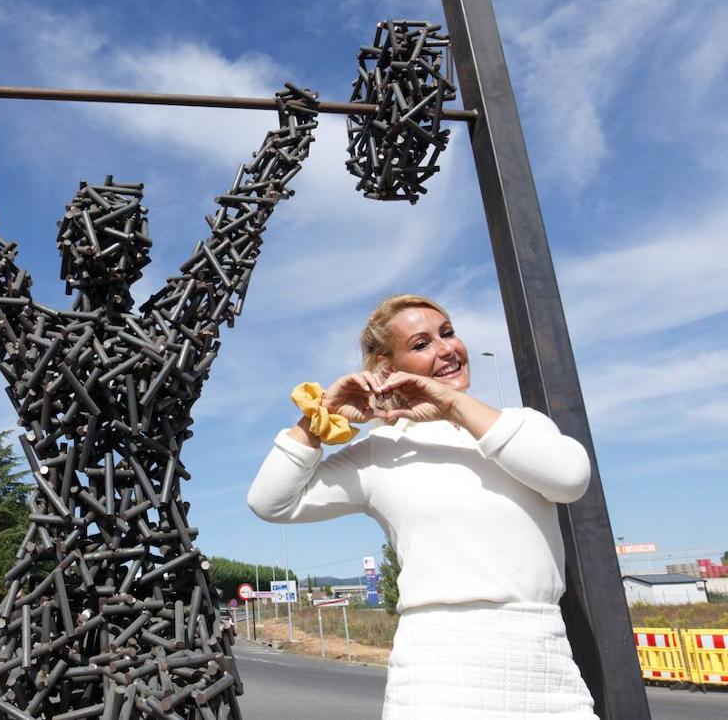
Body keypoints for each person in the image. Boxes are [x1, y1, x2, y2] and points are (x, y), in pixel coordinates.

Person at [247, 294, 597, 719]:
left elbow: (570, 478)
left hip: (544, 670)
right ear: (387, 370)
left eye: (447, 333)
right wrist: (318, 418)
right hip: (435, 678)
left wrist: (452, 404)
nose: (447, 348)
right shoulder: (382, 451)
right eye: (421, 344)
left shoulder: (519, 425)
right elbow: (271, 501)